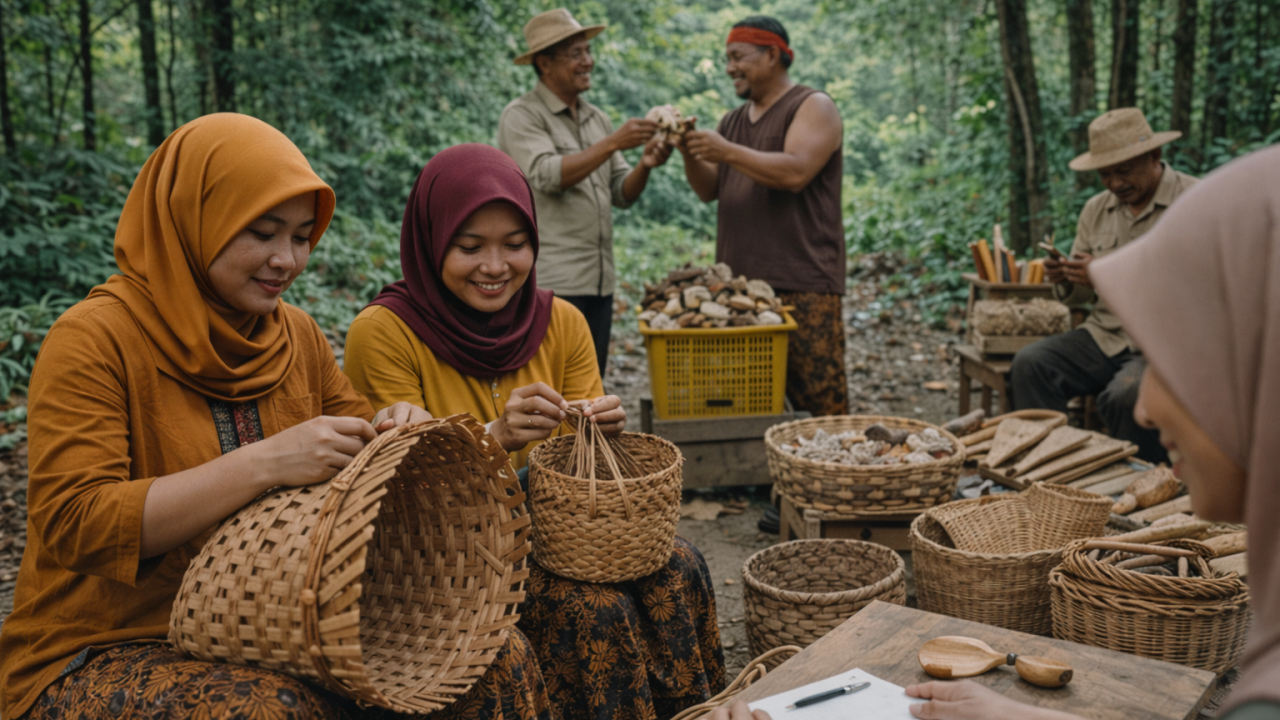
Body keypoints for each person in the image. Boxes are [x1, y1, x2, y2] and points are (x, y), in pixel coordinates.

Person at [0, 114, 549, 720]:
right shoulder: (94, 340)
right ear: (194, 219)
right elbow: (77, 522)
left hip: (276, 620)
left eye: (302, 236)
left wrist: (399, 429)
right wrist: (264, 463)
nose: (286, 260)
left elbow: (365, 474)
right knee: (267, 710)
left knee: (492, 664)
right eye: (262, 233)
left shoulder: (296, 337)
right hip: (107, 640)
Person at [711, 144, 1280, 720]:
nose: (1148, 412)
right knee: (1036, 362)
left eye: (1173, 359)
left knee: (1120, 390)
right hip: (1096, 335)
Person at [343, 143, 726, 720]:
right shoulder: (385, 333)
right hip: (449, 560)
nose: (495, 267)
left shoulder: (562, 322)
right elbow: (396, 494)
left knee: (680, 565)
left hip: (563, 537)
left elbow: (584, 469)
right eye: (469, 247)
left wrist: (604, 433)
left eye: (515, 245)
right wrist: (495, 435)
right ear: (429, 241)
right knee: (596, 608)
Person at [675, 15, 848, 419]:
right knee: (750, 399)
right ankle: (763, 479)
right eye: (726, 58)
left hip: (802, 283)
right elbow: (708, 190)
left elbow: (795, 172)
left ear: (772, 54)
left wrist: (726, 150)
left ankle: (830, 478)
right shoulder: (732, 123)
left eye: (738, 56)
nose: (729, 67)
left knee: (818, 401)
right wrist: (689, 149)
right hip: (740, 290)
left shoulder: (812, 105)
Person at [1011, 108, 1197, 463]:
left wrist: (1110, 274)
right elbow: (1083, 296)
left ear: (1154, 156)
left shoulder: (1194, 202)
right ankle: (1048, 470)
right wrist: (1068, 278)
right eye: (1105, 174)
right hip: (1106, 334)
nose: (1114, 184)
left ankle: (1143, 489)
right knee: (1031, 364)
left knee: (1125, 397)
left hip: (1167, 342)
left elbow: (1202, 288)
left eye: (1124, 171)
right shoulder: (1096, 210)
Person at [496, 8, 672, 375]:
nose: (588, 61)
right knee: (549, 387)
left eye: (588, 52)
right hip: (554, 282)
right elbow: (546, 175)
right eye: (576, 54)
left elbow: (622, 193)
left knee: (591, 389)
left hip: (599, 280)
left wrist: (646, 164)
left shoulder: (597, 118)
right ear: (544, 63)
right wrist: (612, 143)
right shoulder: (522, 116)